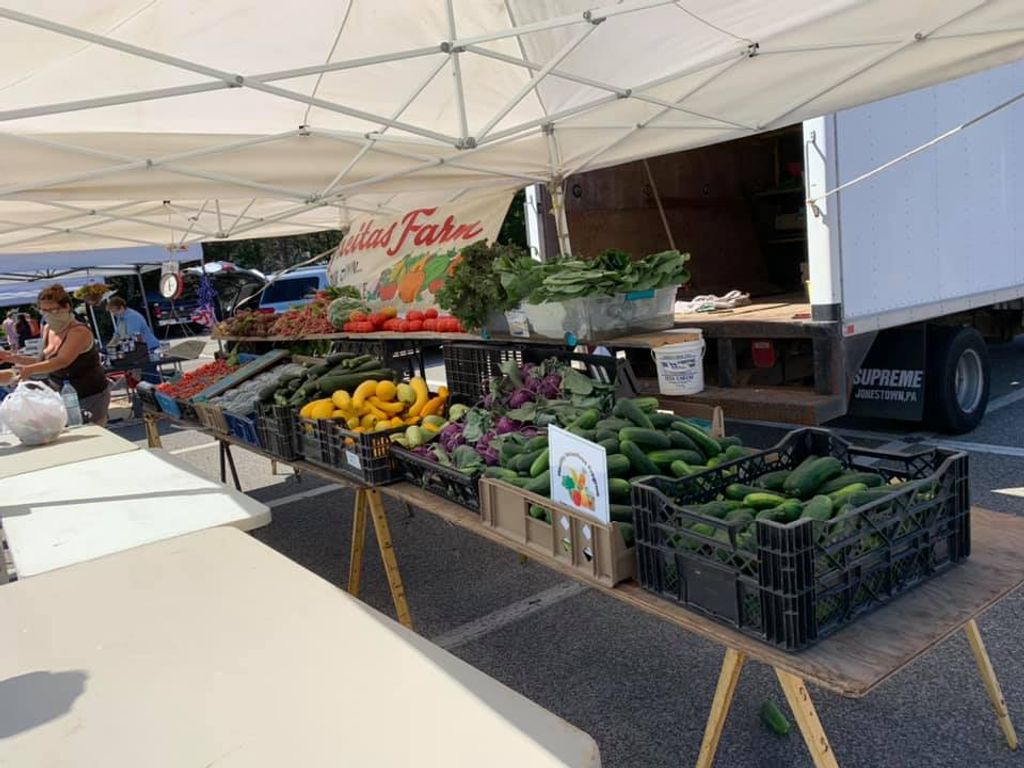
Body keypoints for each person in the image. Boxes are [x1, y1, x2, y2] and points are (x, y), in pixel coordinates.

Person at [0, 284, 111, 427]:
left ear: (66, 307)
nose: (48, 315)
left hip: (90, 395)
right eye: (43, 311)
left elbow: (61, 361)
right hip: (61, 395)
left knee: (92, 432)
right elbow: (42, 360)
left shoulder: (78, 331)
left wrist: (30, 370)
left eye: (53, 310)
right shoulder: (48, 329)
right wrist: (12, 358)